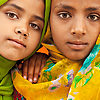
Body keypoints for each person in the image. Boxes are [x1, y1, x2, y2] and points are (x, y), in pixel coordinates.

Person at [12, 0, 100, 99]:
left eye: (93, 17)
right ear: (47, 18)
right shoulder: (19, 71)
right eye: (64, 15)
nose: (78, 29)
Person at [0, 0, 50, 100]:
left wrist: (45, 61)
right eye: (12, 15)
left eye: (34, 25)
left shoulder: (25, 83)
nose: (24, 30)